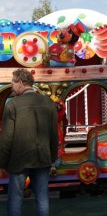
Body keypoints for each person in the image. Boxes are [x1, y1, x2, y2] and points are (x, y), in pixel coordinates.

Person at [0, 68, 58, 216]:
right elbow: (53, 135)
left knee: (15, 199)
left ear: (20, 82)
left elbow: (6, 137)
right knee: (42, 198)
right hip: (43, 158)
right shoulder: (49, 103)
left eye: (12, 83)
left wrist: (2, 163)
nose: (12, 86)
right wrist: (51, 159)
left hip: (19, 160)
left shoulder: (12, 105)